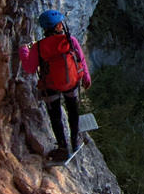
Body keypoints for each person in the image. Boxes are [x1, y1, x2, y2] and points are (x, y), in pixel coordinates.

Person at [19, 9, 92, 162]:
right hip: (71, 83)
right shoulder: (70, 40)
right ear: (59, 26)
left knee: (55, 116)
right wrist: (86, 76)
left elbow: (30, 68)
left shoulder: (39, 47)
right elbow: (80, 59)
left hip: (50, 85)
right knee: (73, 111)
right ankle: (75, 140)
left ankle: (63, 148)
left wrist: (24, 50)